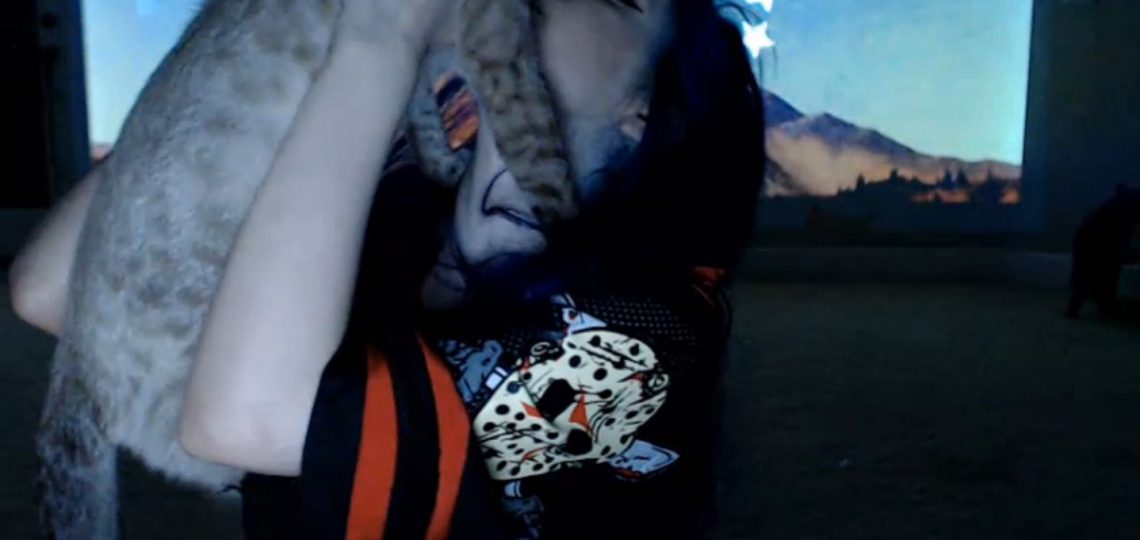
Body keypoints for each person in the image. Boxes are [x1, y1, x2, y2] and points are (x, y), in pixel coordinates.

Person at [10, 0, 765, 537]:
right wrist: (265, 42)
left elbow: (246, 421)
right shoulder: (393, 217)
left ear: (642, 109)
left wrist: (378, 36)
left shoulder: (645, 336)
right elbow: (51, 289)